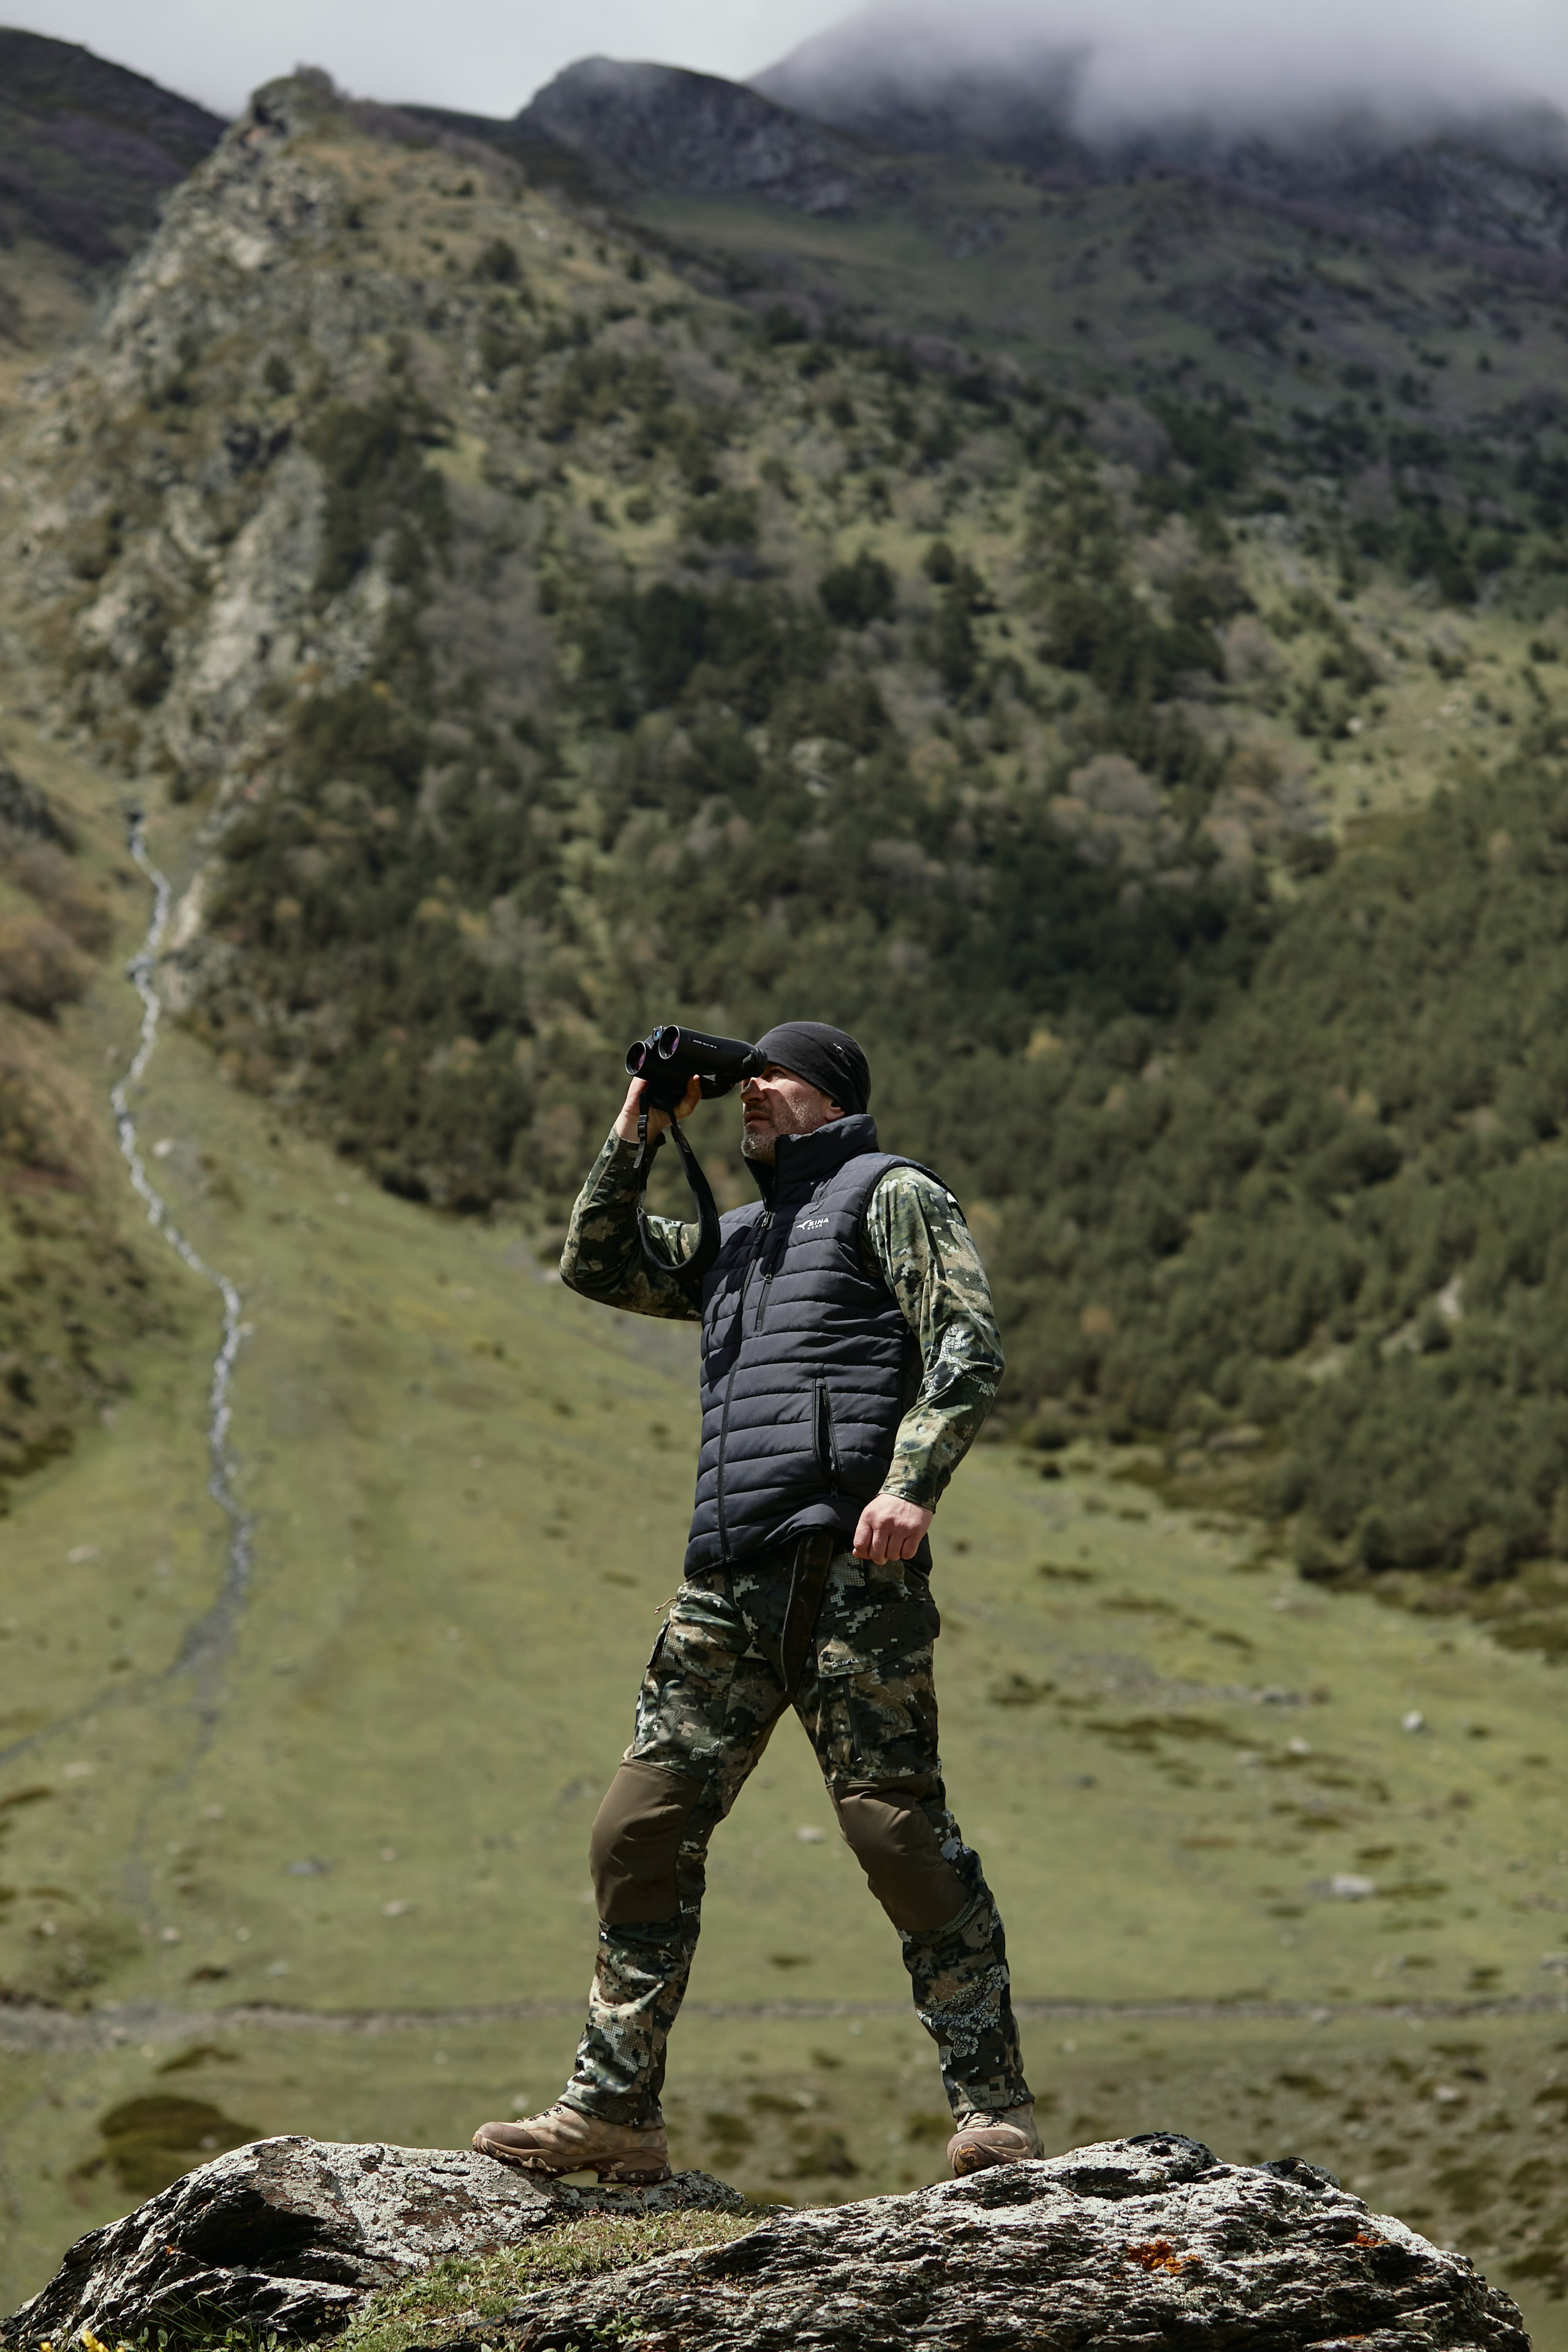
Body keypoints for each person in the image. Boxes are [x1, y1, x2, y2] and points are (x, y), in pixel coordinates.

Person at [471, 1021, 1038, 2185]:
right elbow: (597, 1262)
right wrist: (640, 1128)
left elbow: (966, 1346)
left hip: (850, 1575)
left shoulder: (894, 1197)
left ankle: (991, 2110)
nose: (752, 1099)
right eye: (746, 1084)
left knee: (897, 1838)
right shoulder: (735, 1239)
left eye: (770, 1080)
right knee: (637, 1832)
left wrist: (910, 1487)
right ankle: (614, 2114)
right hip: (726, 1584)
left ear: (828, 1097)